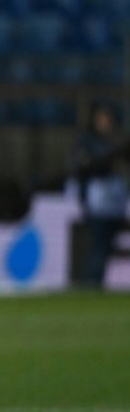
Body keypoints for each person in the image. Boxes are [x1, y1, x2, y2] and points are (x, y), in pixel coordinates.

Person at [69, 101, 130, 288]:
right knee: (98, 242)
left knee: (107, 243)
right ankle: (92, 281)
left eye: (108, 119)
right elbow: (83, 166)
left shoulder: (116, 140)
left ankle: (96, 280)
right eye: (102, 118)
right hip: (98, 198)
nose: (105, 122)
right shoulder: (88, 141)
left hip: (116, 197)